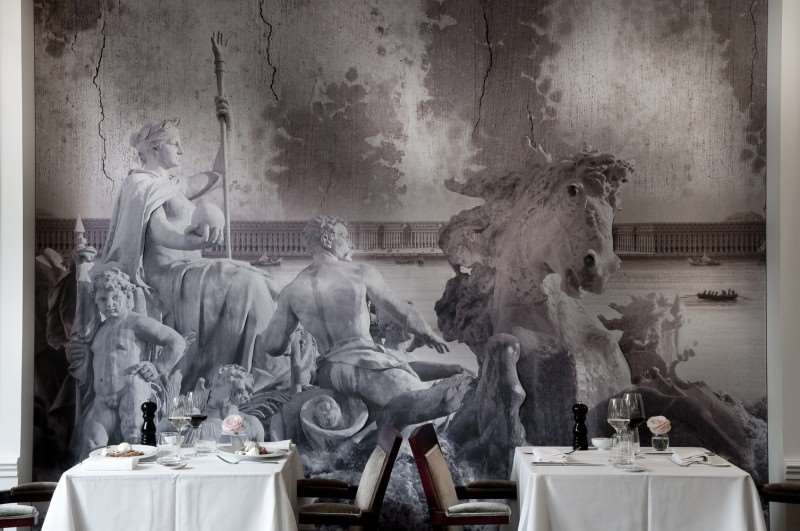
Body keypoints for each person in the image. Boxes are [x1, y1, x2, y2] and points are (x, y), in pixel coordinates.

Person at [94, 100, 288, 392]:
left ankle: (262, 369)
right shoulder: (141, 184)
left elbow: (219, 175)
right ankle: (254, 372)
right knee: (245, 281)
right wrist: (194, 240)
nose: (181, 150)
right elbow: (160, 233)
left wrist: (228, 128)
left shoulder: (174, 185)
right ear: (155, 148)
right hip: (167, 277)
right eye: (175, 143)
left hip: (189, 270)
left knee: (251, 278)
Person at [263, 216, 472, 430]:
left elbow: (272, 345)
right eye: (344, 236)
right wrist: (427, 333)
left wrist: (294, 331)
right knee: (429, 411)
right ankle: (422, 451)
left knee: (395, 420)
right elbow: (401, 311)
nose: (350, 243)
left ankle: (386, 445)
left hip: (328, 372)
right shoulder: (359, 272)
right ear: (327, 239)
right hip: (363, 363)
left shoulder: (292, 290)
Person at [82, 267, 186, 451]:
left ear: (127, 296)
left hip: (130, 391)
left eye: (115, 297)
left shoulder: (135, 322)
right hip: (102, 399)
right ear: (96, 301)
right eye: (103, 299)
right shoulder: (99, 330)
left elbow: (177, 341)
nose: (110, 304)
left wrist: (158, 367)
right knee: (91, 443)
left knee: (135, 440)